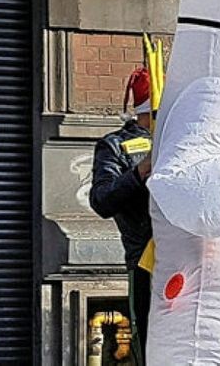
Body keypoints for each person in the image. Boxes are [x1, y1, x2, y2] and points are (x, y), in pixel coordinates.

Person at [90, 66, 154, 364]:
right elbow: (102, 200)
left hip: (192, 260)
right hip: (146, 262)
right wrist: (140, 171)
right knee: (150, 346)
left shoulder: (187, 136)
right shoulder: (115, 145)